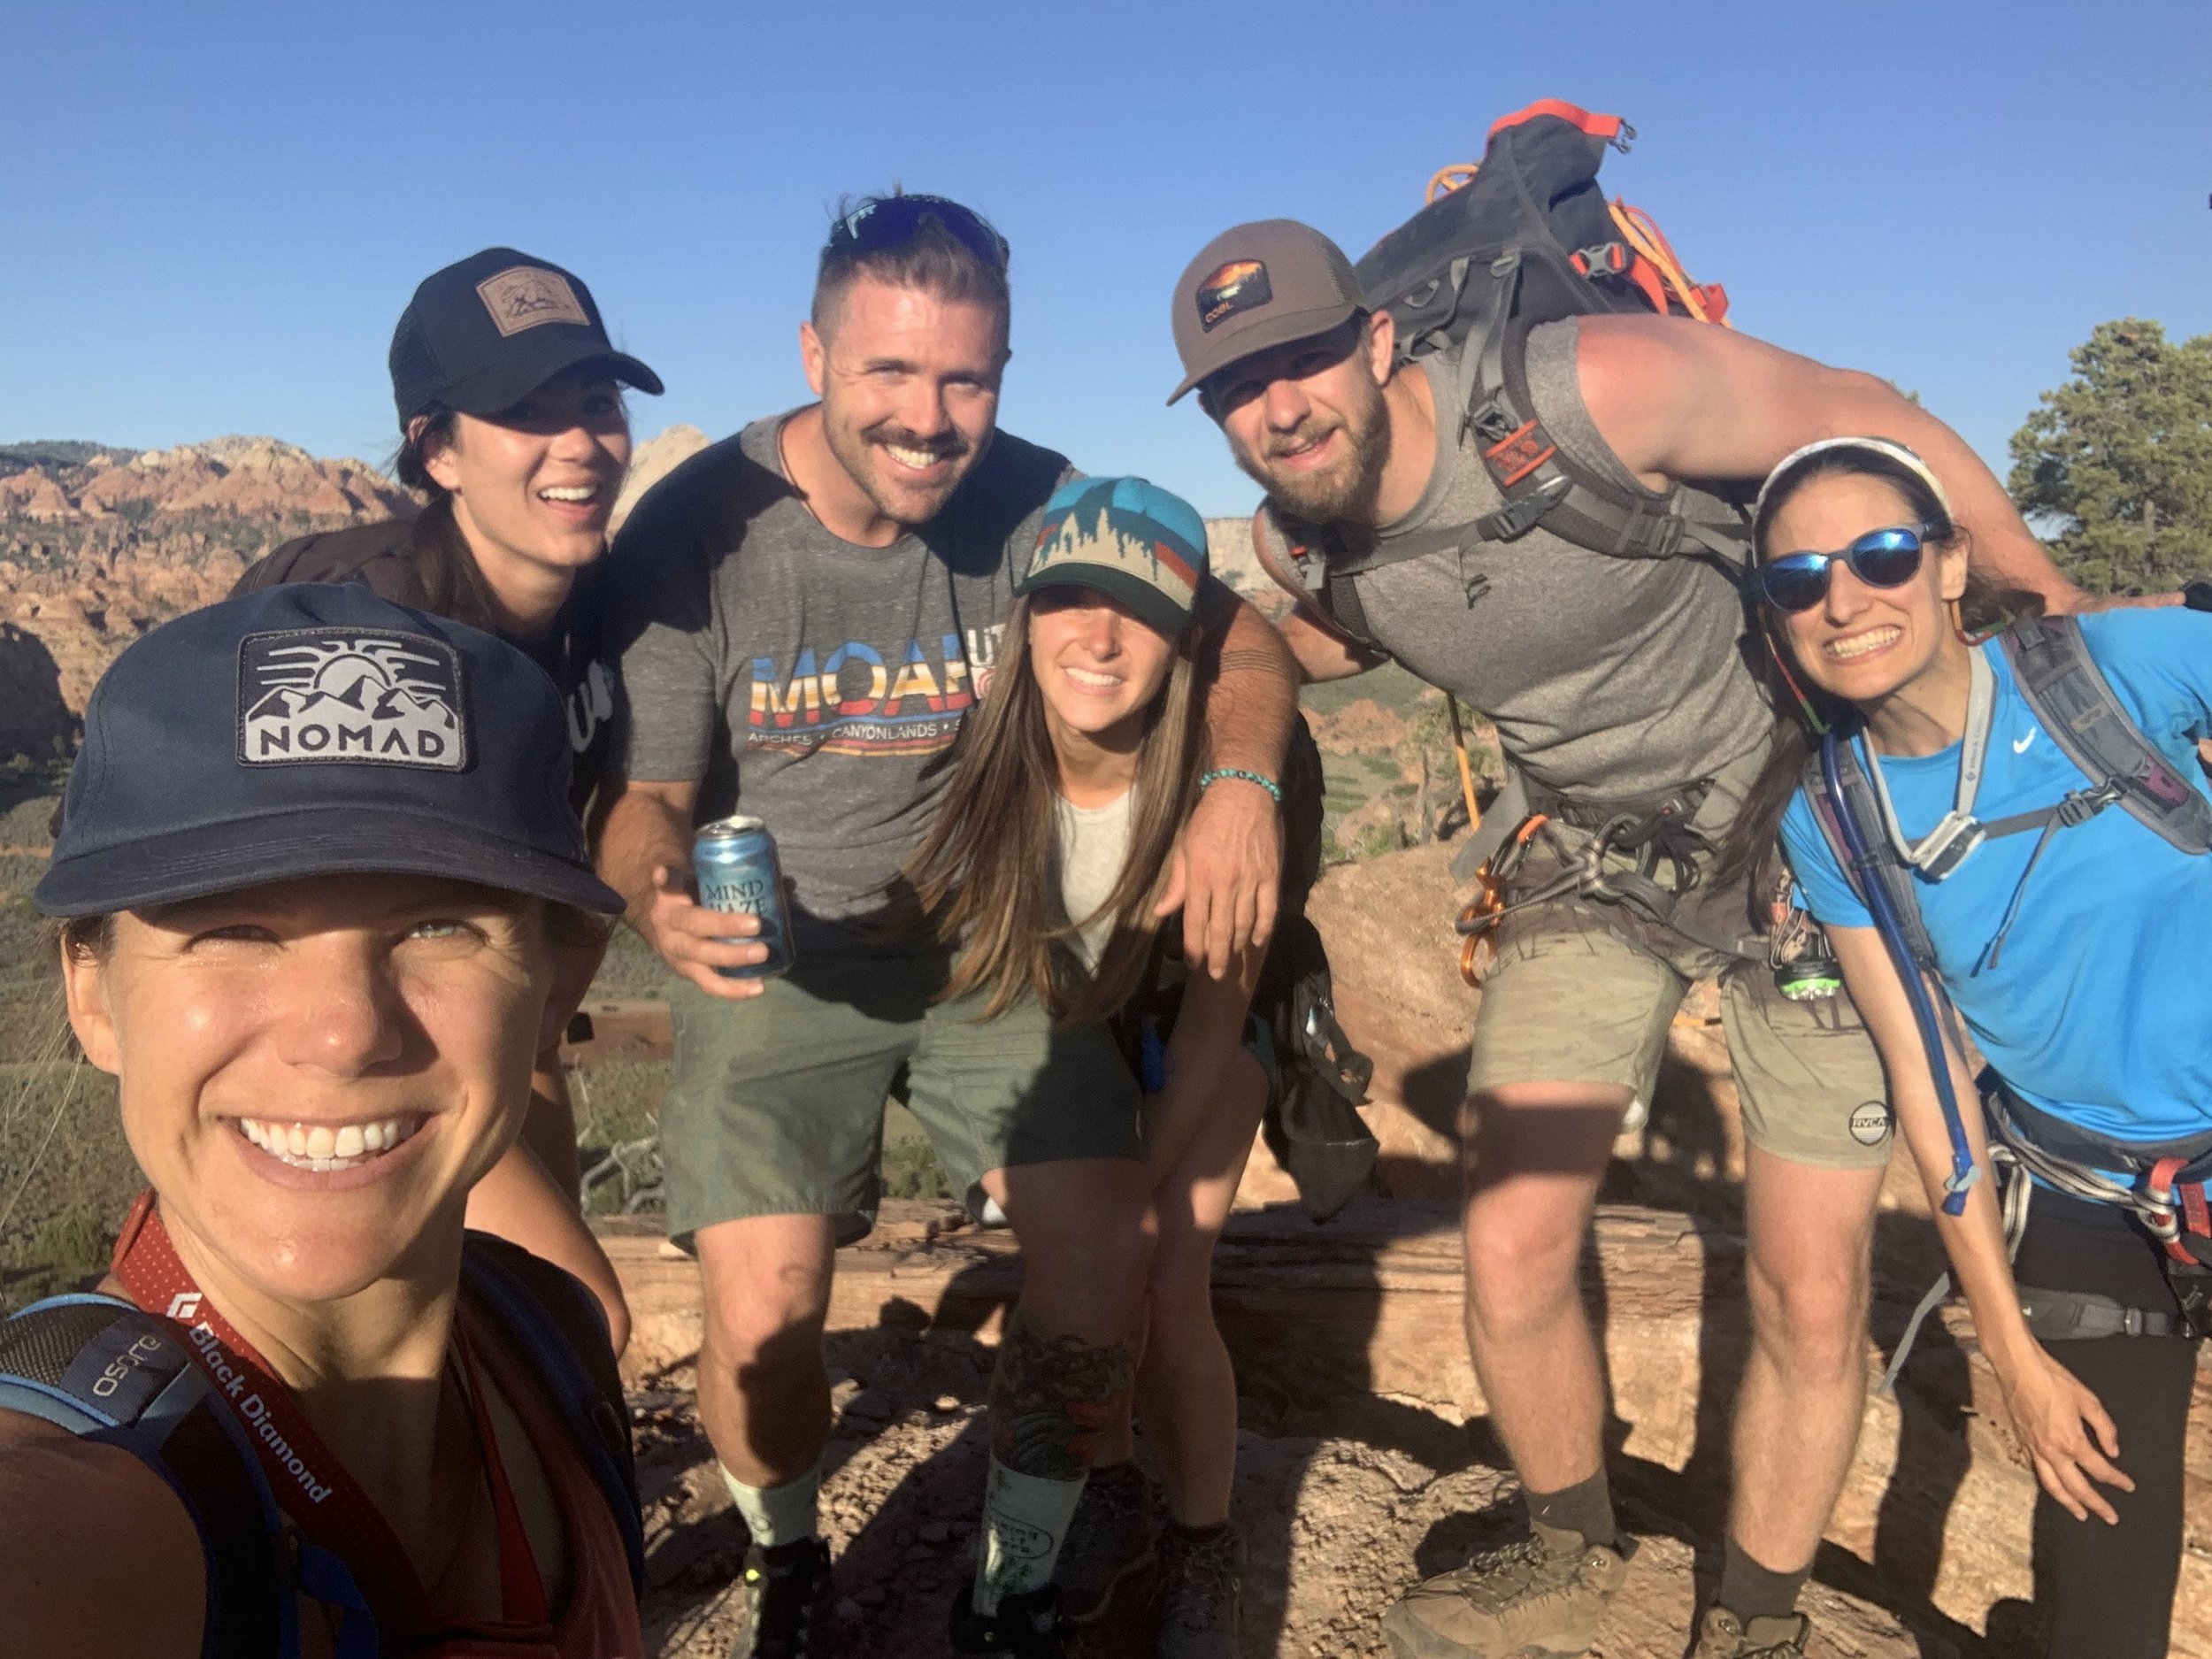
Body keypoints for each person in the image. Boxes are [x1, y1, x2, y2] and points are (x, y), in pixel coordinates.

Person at [1164, 219, 2086, 1659]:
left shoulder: (1587, 387)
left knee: (1808, 1280)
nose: (1278, 406)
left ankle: (1759, 1621)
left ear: (1377, 337)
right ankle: (1569, 1542)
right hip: (1597, 858)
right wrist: (1220, 749)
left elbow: (1871, 415)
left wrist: (2047, 601)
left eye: (1302, 360)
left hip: (1804, 840)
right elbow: (1303, 637)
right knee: (1513, 1244)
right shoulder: (1305, 540)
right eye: (1236, 387)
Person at [591, 195, 1298, 1658]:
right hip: (783, 963)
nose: (929, 419)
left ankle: (1014, 1573)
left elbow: (1235, 635)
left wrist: (1237, 783)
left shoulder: (1037, 498)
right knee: (766, 1320)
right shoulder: (701, 534)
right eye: (890, 375)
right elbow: (648, 798)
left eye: (965, 380)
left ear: (1004, 372)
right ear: (814, 352)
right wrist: (661, 896)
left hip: (994, 953)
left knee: (1100, 1266)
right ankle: (789, 1559)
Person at [0, 581, 642, 1655]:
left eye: (439, 923)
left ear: (558, 986)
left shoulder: (550, 1340)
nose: (344, 1034)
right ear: (94, 996)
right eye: (235, 928)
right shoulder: (77, 1519)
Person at [1734, 436, 2212, 1659]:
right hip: (2091, 1200)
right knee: (2102, 1600)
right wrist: (2008, 1347)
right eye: (1799, 579)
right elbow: (1929, 1082)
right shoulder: (1833, 814)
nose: (1842, 598)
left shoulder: (2108, 669)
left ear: (1950, 566)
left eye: (1882, 554)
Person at [234, 246, 660, 1353]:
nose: (580, 444)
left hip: (503, 1032)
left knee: (514, 1340)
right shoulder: (364, 629)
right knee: (569, 1321)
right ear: (438, 451)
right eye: (526, 411)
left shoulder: (601, 605)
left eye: (598, 402)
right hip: (337, 1044)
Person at [903, 476, 1271, 1655]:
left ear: (1185, 640)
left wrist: (1141, 1181)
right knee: (1092, 1263)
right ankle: (1105, 1490)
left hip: (1193, 1037)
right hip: (1058, 1035)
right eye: (1067, 598)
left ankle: (1206, 1543)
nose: (1098, 637)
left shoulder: (1226, 793)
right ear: (1024, 615)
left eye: (1140, 610)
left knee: (1160, 1273)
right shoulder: (975, 760)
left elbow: (1219, 1014)